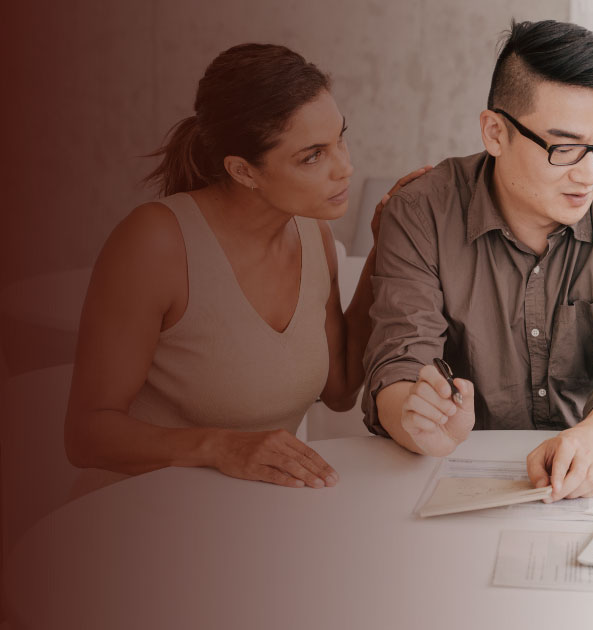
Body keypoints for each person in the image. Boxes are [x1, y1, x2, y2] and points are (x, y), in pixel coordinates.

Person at [64, 43, 429, 493]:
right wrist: (221, 447)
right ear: (243, 171)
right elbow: (86, 436)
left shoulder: (315, 237)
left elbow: (339, 391)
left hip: (246, 520)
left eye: (340, 138)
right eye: (312, 155)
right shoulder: (154, 243)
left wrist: (383, 251)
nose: (346, 167)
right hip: (132, 517)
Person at [364, 20, 593, 503]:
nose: (588, 173)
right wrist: (421, 420)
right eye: (565, 147)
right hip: (451, 471)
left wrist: (584, 443)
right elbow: (397, 364)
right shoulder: (420, 211)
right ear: (495, 133)